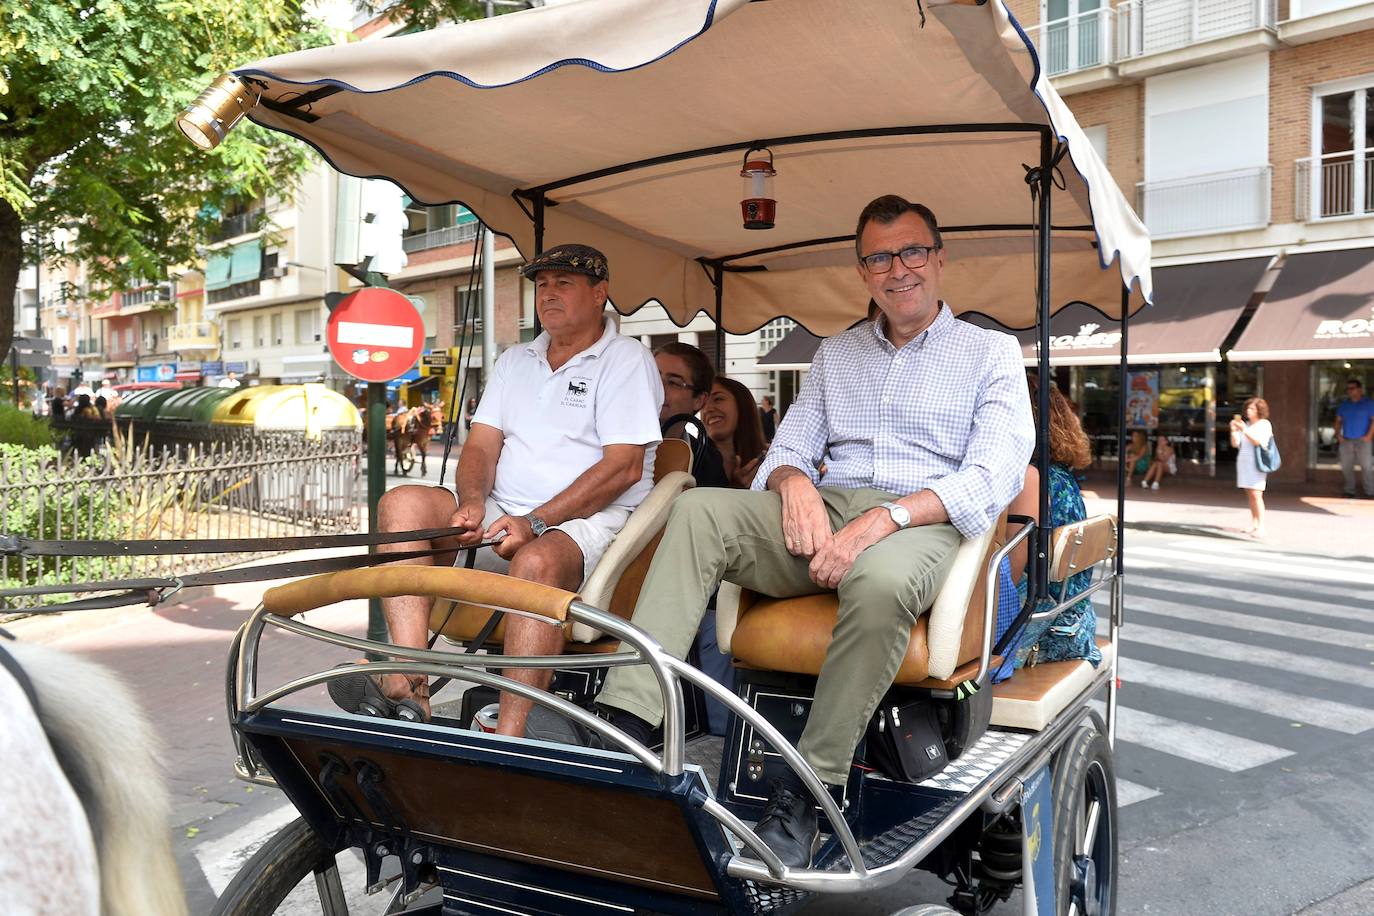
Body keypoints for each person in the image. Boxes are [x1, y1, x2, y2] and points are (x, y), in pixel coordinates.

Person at [589, 195, 1035, 867]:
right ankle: (627, 724)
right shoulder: (836, 354)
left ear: (939, 260)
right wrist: (793, 483)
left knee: (880, 580)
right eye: (879, 257)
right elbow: (786, 448)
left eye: (912, 251)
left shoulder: (990, 354)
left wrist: (887, 518)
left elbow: (993, 474)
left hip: (925, 515)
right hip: (826, 507)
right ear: (864, 272)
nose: (898, 269)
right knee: (696, 509)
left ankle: (811, 784)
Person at [336, 243, 663, 738]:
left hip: (589, 525)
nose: (548, 294)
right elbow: (481, 447)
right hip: (506, 514)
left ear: (600, 294)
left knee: (535, 561)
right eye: (542, 285)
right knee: (400, 503)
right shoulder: (516, 359)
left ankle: (513, 730)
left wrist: (536, 522)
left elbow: (623, 469)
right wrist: (471, 503)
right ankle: (409, 682)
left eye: (564, 284)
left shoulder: (627, 360)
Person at [1005, 377, 1100, 670]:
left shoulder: (1028, 478)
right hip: (1075, 621)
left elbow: (1008, 575)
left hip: (1043, 631)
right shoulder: (1059, 474)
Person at [654, 341, 729, 488]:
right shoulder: (609, 439)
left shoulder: (708, 461)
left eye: (673, 382)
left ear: (699, 400)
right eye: (652, 376)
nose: (657, 387)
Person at [703, 376, 767, 488]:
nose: (708, 409)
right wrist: (735, 490)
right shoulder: (695, 461)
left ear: (742, 404)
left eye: (718, 399)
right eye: (703, 403)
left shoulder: (769, 461)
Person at [1230, 397, 1274, 538]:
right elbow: (1235, 444)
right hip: (1244, 462)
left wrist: (1245, 430)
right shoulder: (1246, 424)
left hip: (1256, 463)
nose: (1249, 411)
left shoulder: (1264, 424)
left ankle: (1261, 526)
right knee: (1250, 493)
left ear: (1259, 411)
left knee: (1257, 493)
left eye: (1252, 409)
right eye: (1248, 409)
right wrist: (1233, 430)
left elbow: (1258, 442)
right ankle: (1254, 522)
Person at [1335, 378, 1374, 499]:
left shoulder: (1369, 404)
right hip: (1346, 440)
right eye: (1348, 389)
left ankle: (1370, 492)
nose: (1349, 391)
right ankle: (1349, 491)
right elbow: (1338, 421)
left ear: (1360, 389)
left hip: (1363, 441)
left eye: (1352, 388)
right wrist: (1338, 435)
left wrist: (1369, 436)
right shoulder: (1344, 405)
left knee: (1367, 466)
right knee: (1346, 466)